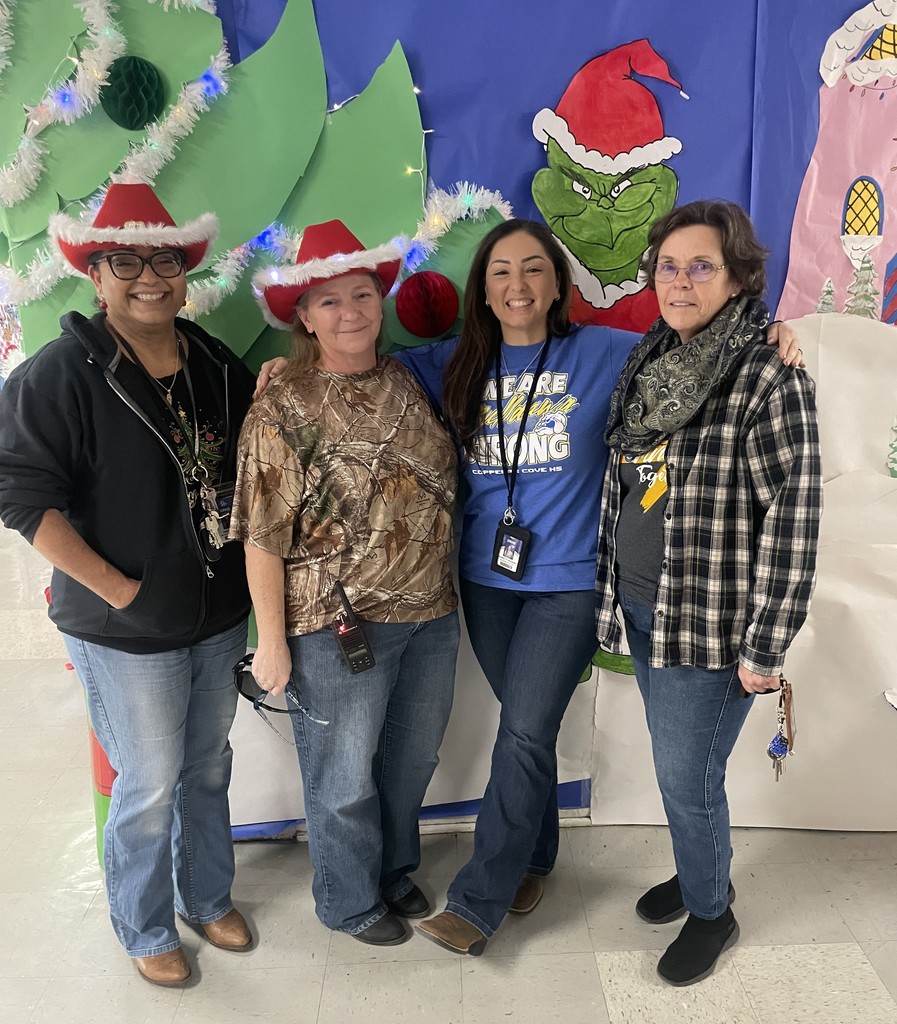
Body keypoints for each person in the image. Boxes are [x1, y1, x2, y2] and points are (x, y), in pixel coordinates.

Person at [255, 217, 801, 957]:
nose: (517, 285)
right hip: (483, 583)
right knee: (524, 723)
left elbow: (699, 351)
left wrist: (775, 335)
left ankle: (480, 898)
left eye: (534, 270)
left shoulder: (613, 353)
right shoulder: (447, 363)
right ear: (482, 289)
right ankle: (534, 858)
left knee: (521, 729)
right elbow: (354, 367)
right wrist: (285, 373)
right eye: (501, 272)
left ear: (558, 284)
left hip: (571, 584)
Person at [0, 184, 257, 986]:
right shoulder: (62, 373)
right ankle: (144, 927)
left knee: (207, 764)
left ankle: (205, 893)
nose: (149, 276)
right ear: (95, 274)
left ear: (185, 272)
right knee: (146, 782)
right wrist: (118, 590)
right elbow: (18, 494)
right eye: (126, 261)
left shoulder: (213, 361)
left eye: (165, 260)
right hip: (126, 627)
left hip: (217, 613)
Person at [594, 200, 822, 986]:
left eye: (701, 266)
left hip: (711, 624)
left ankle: (711, 911)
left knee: (684, 780)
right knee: (679, 770)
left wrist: (767, 645)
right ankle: (702, 874)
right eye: (668, 265)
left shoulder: (767, 372)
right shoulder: (651, 357)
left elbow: (794, 516)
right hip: (643, 604)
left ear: (736, 278)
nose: (680, 281)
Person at [231, 220, 460, 947]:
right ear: (301, 316)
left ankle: (392, 867)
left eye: (360, 294)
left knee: (411, 757)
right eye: (327, 302)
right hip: (336, 628)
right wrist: (270, 641)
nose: (349, 311)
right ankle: (345, 899)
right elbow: (262, 534)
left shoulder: (408, 378)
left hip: (431, 612)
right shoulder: (282, 404)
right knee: (342, 775)